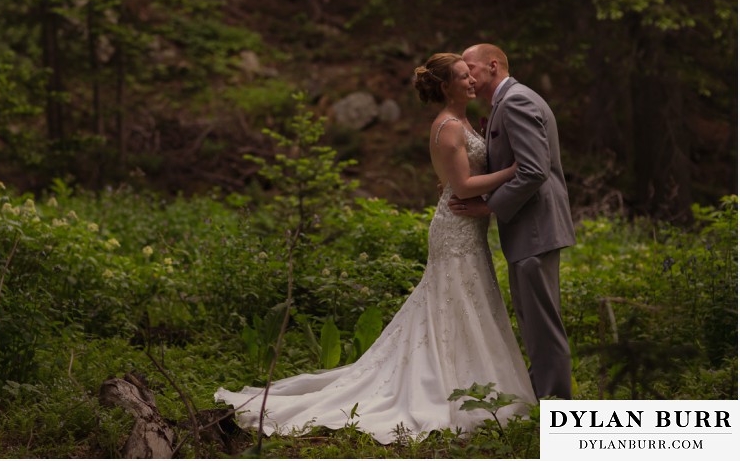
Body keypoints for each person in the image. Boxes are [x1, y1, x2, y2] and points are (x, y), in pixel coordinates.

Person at [214, 53, 536, 444]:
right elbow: (464, 187)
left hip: (469, 226)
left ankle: (476, 381)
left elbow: (458, 176)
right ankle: (452, 385)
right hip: (456, 228)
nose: (472, 81)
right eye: (464, 77)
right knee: (455, 301)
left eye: (472, 75)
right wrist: (515, 170)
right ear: (446, 87)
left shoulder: (464, 120)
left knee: (466, 302)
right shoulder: (448, 127)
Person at [449, 43, 575, 400]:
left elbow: (533, 171)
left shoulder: (517, 101)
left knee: (543, 327)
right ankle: (542, 400)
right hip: (528, 230)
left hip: (535, 229)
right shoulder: (505, 103)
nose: (467, 75)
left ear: (492, 66)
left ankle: (554, 408)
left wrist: (489, 207)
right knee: (534, 324)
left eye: (470, 67)